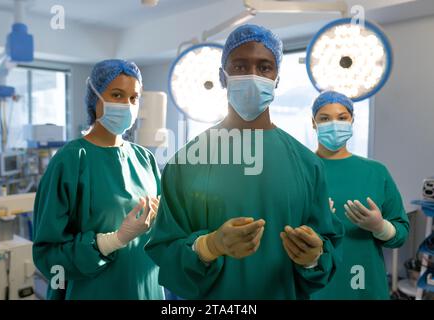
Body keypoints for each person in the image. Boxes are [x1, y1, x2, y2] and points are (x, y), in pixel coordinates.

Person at [145, 24, 344, 299]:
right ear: (222, 77)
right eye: (239, 67)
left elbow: (328, 247)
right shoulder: (186, 163)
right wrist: (208, 246)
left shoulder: (307, 164)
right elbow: (166, 252)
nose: (252, 76)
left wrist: (313, 257)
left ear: (277, 77)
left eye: (264, 67)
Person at [32, 59, 164, 300]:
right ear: (95, 98)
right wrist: (114, 240)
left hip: (147, 289)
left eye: (133, 98)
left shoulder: (145, 159)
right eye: (116, 95)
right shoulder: (71, 161)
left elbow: (162, 231)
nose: (127, 105)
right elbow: (48, 257)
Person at [310, 90, 409, 300]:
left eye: (342, 117)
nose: (334, 124)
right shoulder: (300, 170)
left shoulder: (376, 172)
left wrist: (381, 227)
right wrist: (314, 224)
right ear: (313, 122)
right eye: (325, 118)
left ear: (352, 120)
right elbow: (281, 228)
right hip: (315, 286)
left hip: (365, 286)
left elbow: (401, 231)